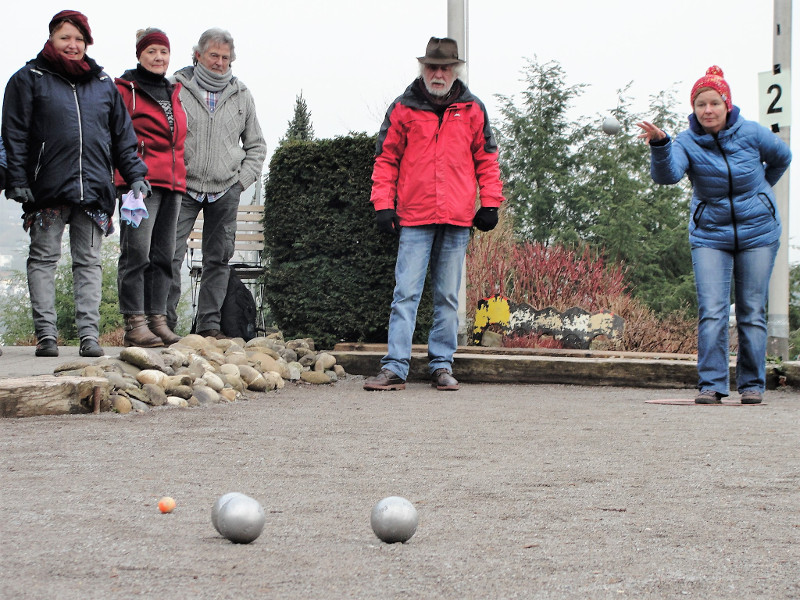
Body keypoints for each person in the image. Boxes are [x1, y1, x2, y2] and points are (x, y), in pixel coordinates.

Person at [637, 66, 791, 405]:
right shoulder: (687, 141)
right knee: (713, 309)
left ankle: (752, 385)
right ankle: (712, 384)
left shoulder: (752, 133)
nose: (708, 110)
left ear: (727, 104)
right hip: (710, 234)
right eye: (700, 105)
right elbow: (668, 176)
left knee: (751, 310)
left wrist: (763, 192)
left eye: (714, 103)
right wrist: (661, 145)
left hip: (759, 233)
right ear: (694, 110)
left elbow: (782, 158)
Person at [2, 10, 148, 358]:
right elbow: (14, 134)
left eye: (79, 39)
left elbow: (122, 138)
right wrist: (18, 180)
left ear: (87, 43)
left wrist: (136, 175)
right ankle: (47, 337)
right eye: (65, 37)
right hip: (46, 190)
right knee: (43, 259)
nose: (73, 45)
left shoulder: (102, 85)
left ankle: (88, 337)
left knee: (89, 262)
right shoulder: (29, 78)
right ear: (52, 38)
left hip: (94, 190)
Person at [364, 37, 505, 392]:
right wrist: (383, 204)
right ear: (423, 69)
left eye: (444, 68)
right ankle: (395, 367)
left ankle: (441, 365)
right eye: (432, 67)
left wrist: (490, 203)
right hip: (414, 217)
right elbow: (386, 159)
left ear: (455, 70)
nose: (438, 73)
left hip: (457, 218)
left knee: (447, 297)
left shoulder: (473, 109)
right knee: (406, 293)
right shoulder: (403, 108)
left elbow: (487, 159)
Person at [166, 28, 266, 338]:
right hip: (184, 187)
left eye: (225, 57)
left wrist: (241, 182)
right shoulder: (176, 90)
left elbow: (257, 146)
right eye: (213, 55)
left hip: (225, 189)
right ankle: (164, 326)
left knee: (218, 259)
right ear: (198, 55)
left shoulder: (242, 95)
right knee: (169, 254)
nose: (220, 62)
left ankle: (209, 327)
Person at [115, 28, 187, 347]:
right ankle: (135, 323)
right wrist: (131, 175)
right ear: (139, 55)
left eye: (163, 52)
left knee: (164, 255)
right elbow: (117, 137)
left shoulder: (174, 91)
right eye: (152, 51)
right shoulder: (124, 89)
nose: (159, 57)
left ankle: (158, 320)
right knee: (137, 253)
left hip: (173, 182)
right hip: (139, 184)